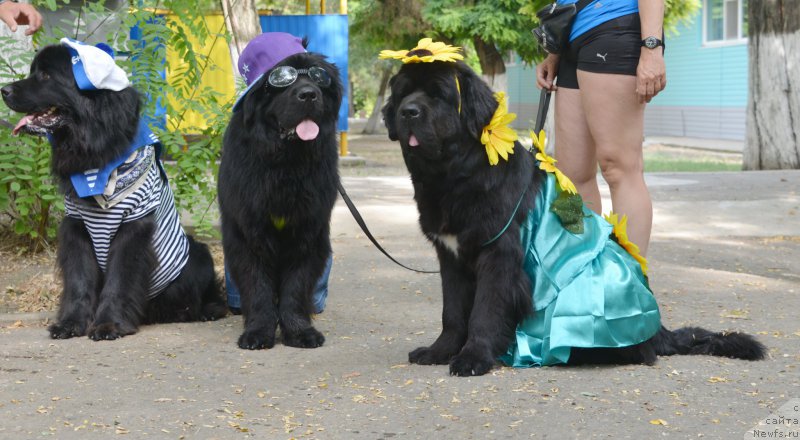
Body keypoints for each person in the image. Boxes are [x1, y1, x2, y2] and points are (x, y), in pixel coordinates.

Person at [536, 0, 665, 256]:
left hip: (614, 25)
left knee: (618, 168)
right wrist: (555, 53)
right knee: (570, 175)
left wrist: (652, 48)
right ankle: (581, 269)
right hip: (572, 35)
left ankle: (630, 275)